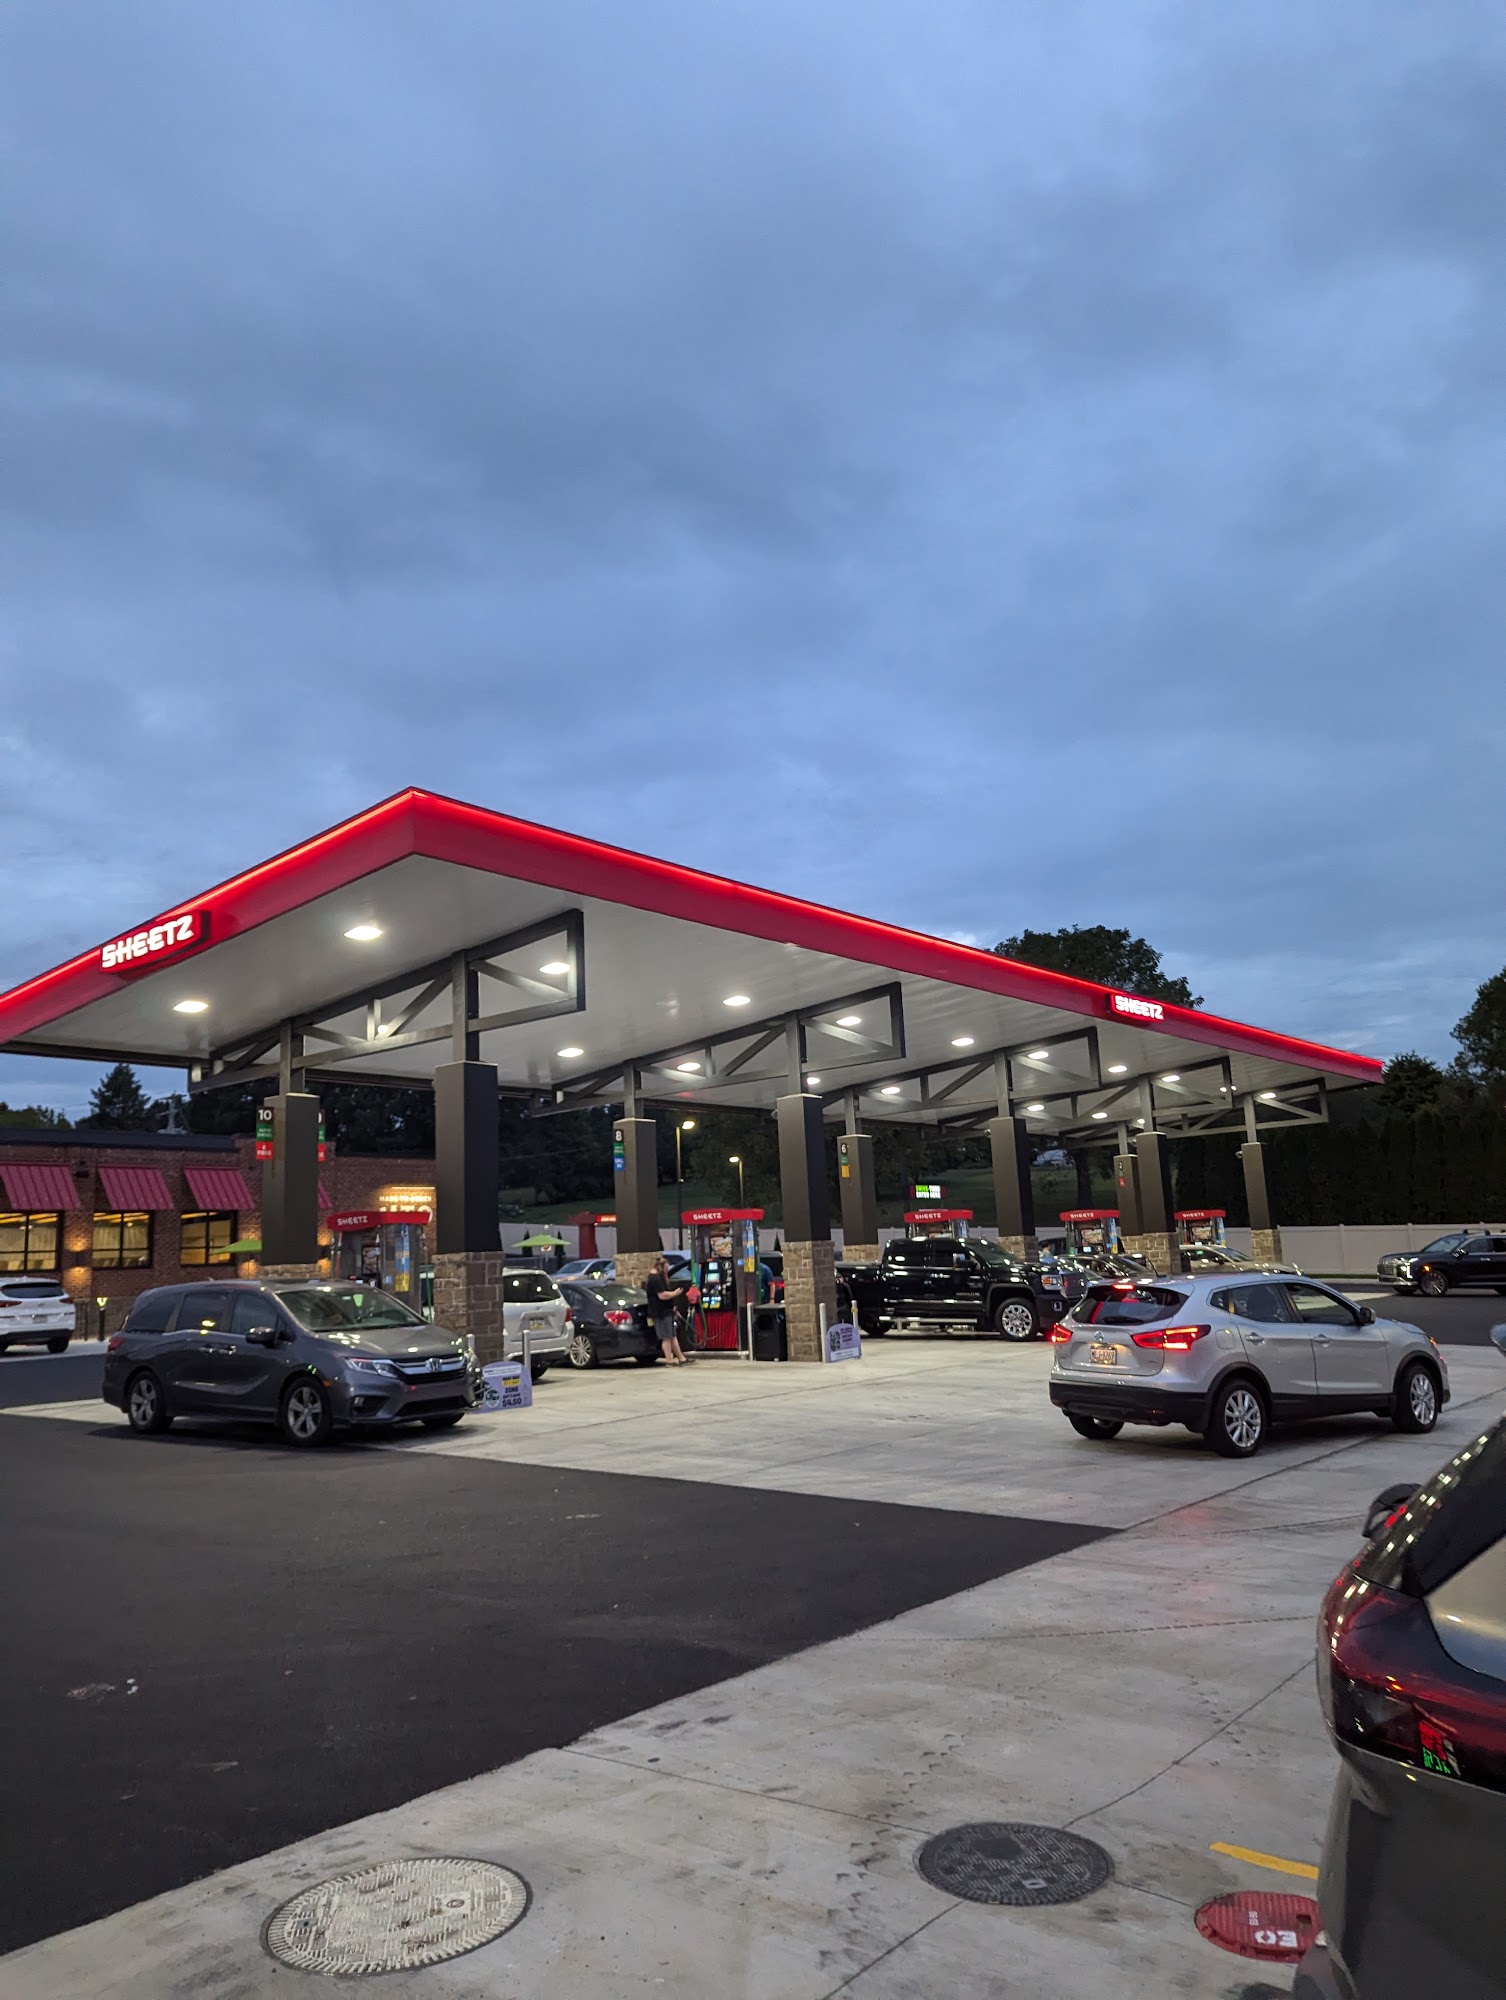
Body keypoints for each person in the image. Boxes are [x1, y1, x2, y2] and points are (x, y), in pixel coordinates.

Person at [644, 1254, 691, 1365]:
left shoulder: (658, 1278)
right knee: (666, 1337)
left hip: (667, 1311)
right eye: (665, 1268)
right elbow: (662, 1295)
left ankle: (681, 1358)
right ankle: (669, 1360)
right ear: (660, 1267)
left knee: (672, 1335)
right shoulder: (655, 1279)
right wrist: (675, 1293)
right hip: (660, 1313)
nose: (666, 1271)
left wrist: (673, 1307)